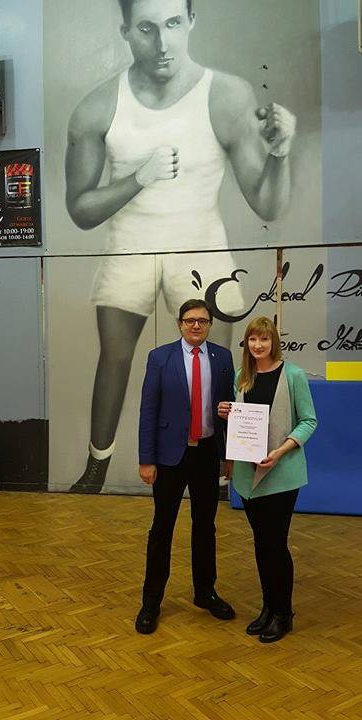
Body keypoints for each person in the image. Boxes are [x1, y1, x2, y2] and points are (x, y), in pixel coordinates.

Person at [66, 0, 297, 493]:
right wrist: (138, 178)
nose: (162, 42)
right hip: (130, 243)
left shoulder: (226, 95)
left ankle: (226, 467)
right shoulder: (98, 106)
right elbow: (80, 209)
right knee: (115, 358)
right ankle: (96, 469)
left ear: (191, 21)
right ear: (126, 31)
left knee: (222, 363)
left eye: (173, 23)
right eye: (147, 28)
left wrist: (280, 154)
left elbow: (267, 205)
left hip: (200, 242)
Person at [135, 299, 235, 633]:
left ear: (209, 325)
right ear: (179, 323)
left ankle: (205, 593)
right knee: (161, 529)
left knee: (205, 527)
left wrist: (229, 454)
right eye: (190, 320)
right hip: (168, 458)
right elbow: (148, 410)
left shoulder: (223, 358)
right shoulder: (159, 357)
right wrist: (146, 459)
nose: (196, 326)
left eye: (202, 321)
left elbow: (230, 410)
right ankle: (151, 602)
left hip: (206, 454)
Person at [218, 316, 317, 643]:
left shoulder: (294, 375)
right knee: (261, 543)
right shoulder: (242, 376)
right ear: (246, 343)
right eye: (252, 339)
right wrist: (226, 412)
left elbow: (309, 421)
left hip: (281, 474)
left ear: (274, 341)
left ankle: (283, 614)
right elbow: (241, 422)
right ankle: (268, 608)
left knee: (276, 544)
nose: (258, 345)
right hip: (248, 475)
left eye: (264, 339)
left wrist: (281, 450)